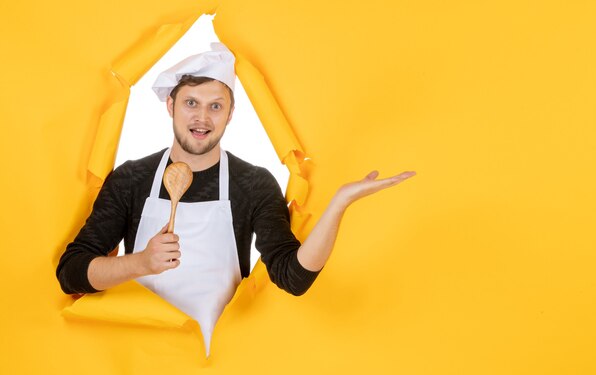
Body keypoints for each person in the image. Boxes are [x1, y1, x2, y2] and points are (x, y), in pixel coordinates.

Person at [56, 42, 415, 355]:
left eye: (216, 106)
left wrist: (339, 204)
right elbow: (71, 273)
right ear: (171, 106)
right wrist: (141, 263)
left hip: (217, 361)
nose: (202, 117)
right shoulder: (132, 178)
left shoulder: (253, 183)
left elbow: (293, 277)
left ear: (231, 113)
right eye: (191, 103)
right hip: (137, 358)